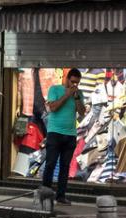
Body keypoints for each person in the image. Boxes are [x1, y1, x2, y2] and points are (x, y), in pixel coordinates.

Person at [42, 68, 86, 205]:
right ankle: (45, 195)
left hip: (70, 134)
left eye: (77, 83)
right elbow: (53, 108)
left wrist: (77, 97)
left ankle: (61, 195)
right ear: (67, 79)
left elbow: (82, 112)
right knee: (50, 164)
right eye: (72, 82)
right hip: (55, 133)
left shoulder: (79, 93)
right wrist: (67, 95)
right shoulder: (54, 89)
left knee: (65, 166)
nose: (74, 85)